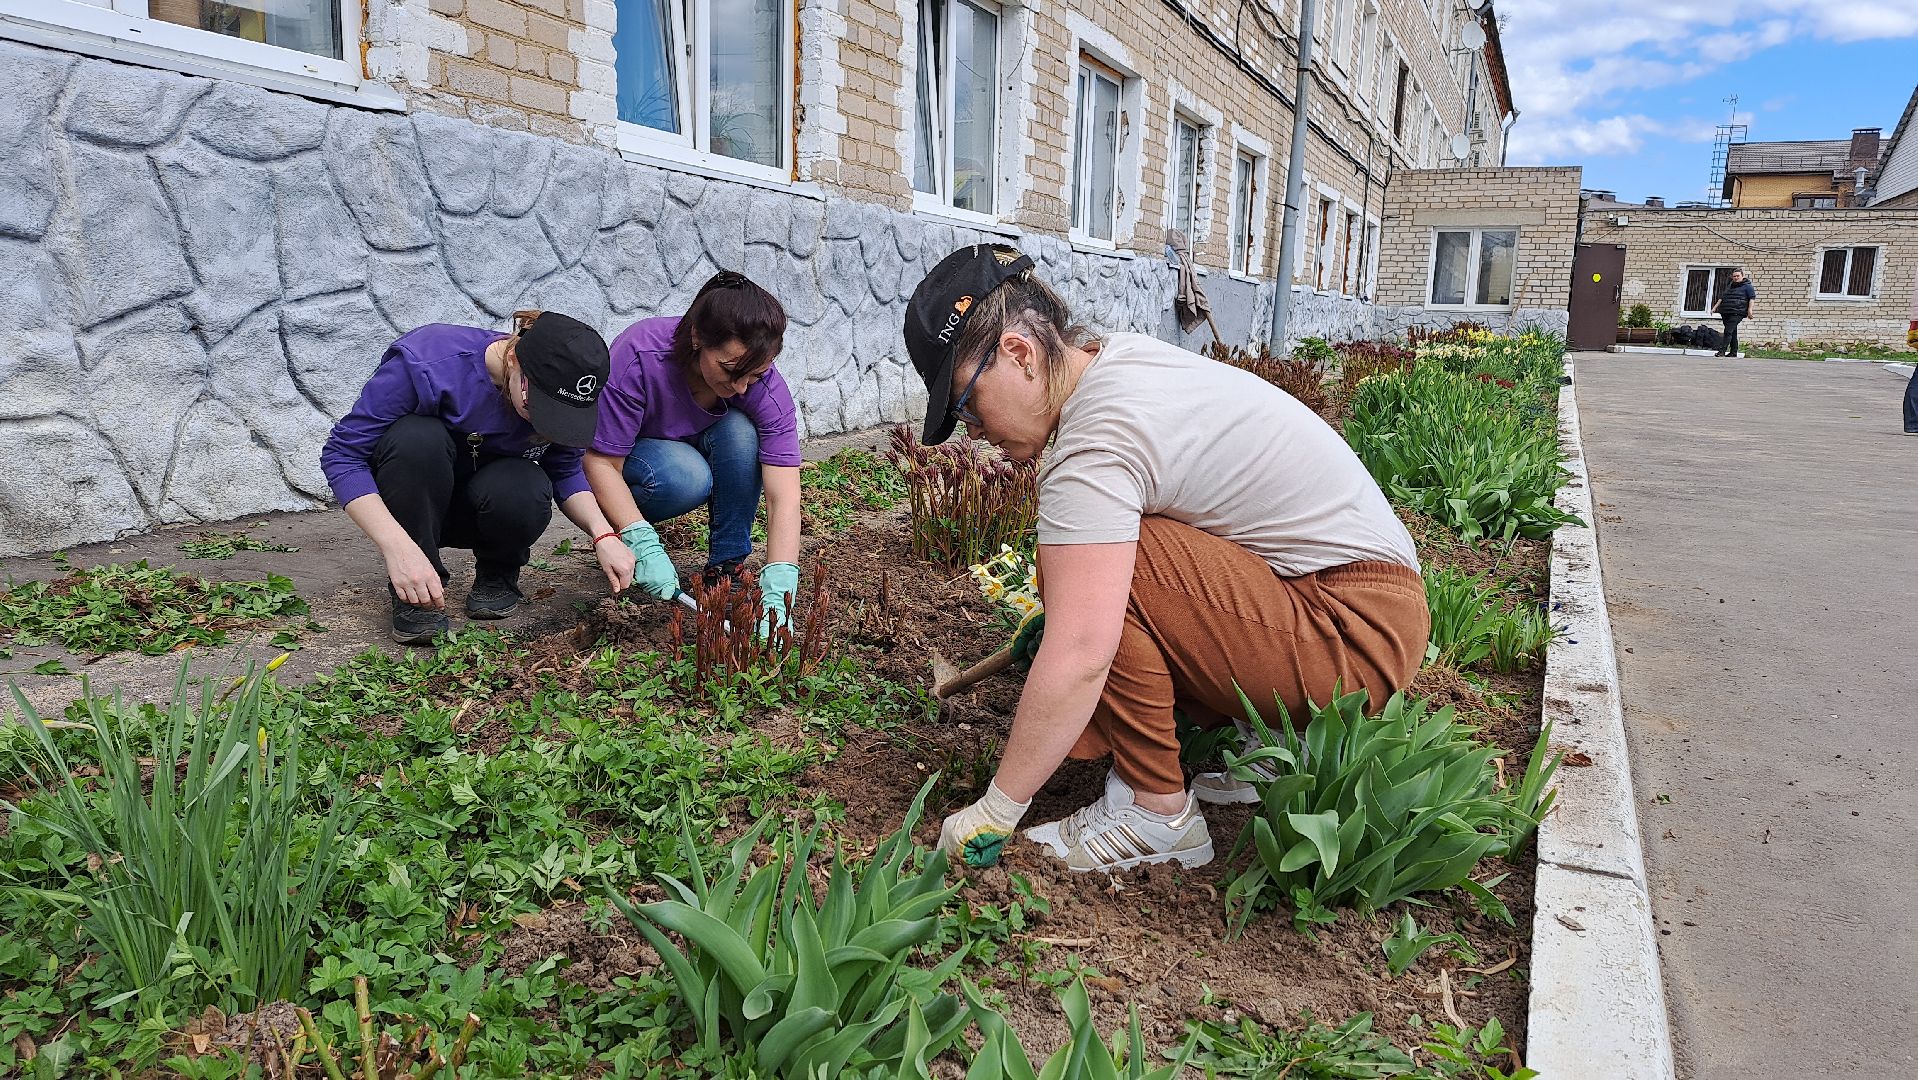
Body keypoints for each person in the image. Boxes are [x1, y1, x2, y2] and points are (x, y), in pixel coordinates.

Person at [914, 245, 1430, 873]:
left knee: (1092, 574)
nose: (971, 430)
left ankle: (1155, 811)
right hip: (1376, 611)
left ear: (1019, 353)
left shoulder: (1094, 445)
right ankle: (1264, 745)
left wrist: (996, 810)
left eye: (966, 403)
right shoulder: (1118, 360)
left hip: (1349, 638)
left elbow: (1081, 653)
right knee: (1102, 565)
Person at [321, 311, 635, 645]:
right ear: (514, 359)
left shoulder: (569, 387)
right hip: (414, 504)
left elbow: (566, 470)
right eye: (538, 407)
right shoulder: (430, 361)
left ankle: (497, 573)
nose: (545, 424)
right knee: (416, 438)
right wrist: (398, 548)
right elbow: (343, 456)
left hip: (487, 504)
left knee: (524, 481)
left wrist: (604, 535)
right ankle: (417, 591)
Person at [583, 272, 805, 629]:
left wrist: (780, 587)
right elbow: (600, 460)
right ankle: (623, 531)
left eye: (757, 374)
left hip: (689, 452)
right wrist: (637, 536)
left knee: (740, 432)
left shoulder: (764, 388)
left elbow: (785, 495)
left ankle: (725, 570)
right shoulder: (641, 354)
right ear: (698, 337)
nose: (743, 386)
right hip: (635, 463)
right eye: (731, 369)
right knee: (686, 475)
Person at [1712, 269, 1756, 358]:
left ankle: (1722, 351)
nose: (1735, 278)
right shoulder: (1730, 285)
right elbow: (1722, 297)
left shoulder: (1747, 286)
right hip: (1726, 311)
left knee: (1728, 331)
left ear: (1742, 276)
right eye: (1734, 276)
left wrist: (1750, 310)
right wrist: (1715, 307)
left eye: (1737, 276)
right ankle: (1733, 352)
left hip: (1737, 312)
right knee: (1733, 332)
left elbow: (1752, 298)